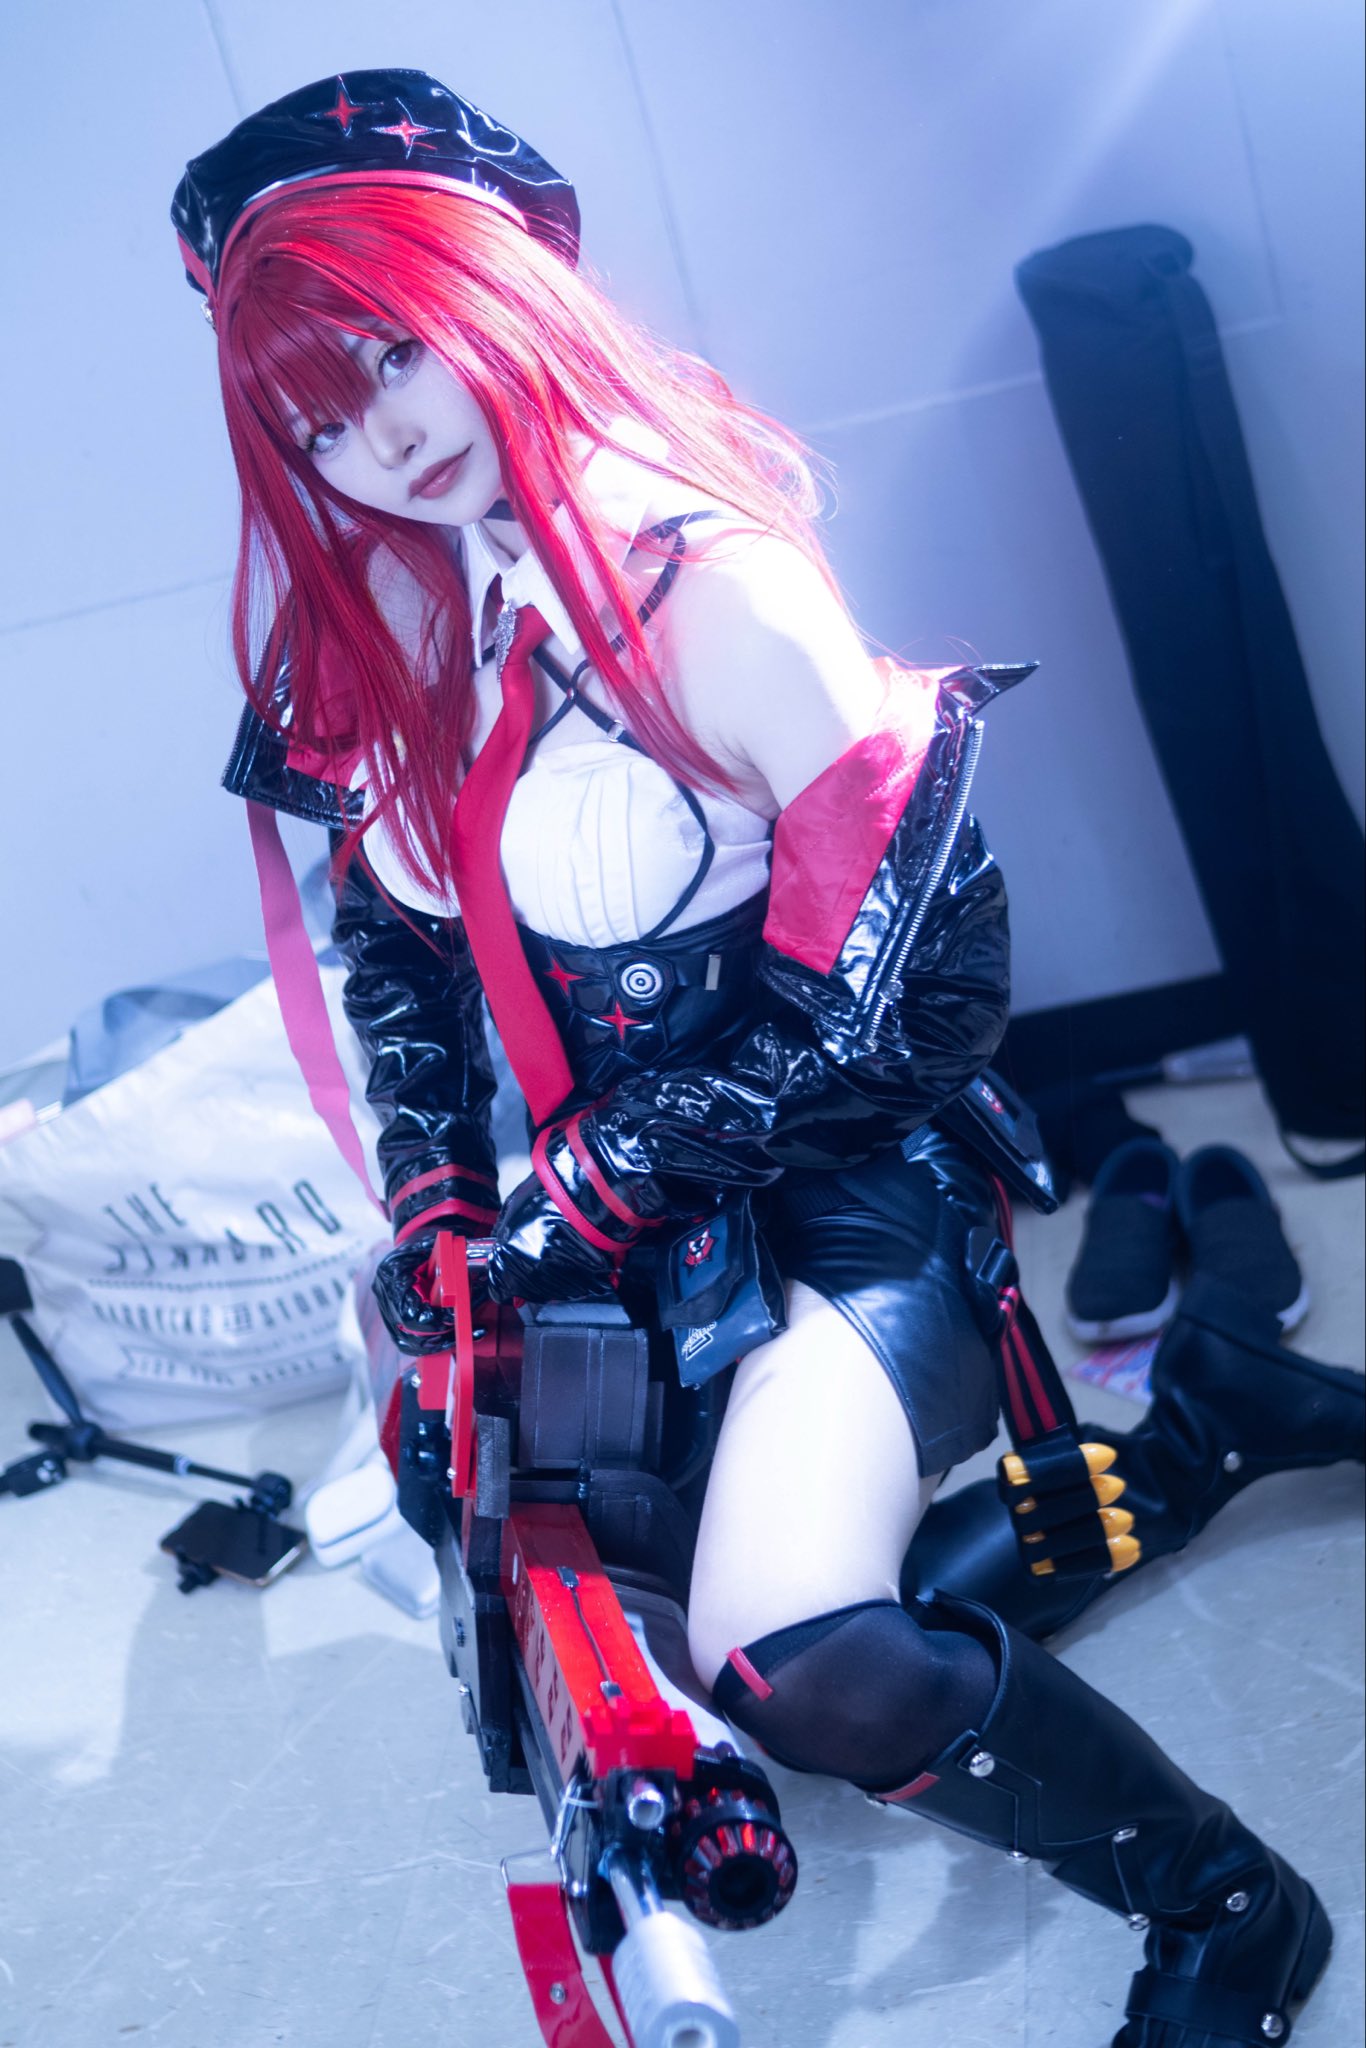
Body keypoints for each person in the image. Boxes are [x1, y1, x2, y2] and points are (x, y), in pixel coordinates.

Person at [174, 70, 1359, 2046]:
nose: (378, 438)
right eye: (317, 417)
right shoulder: (402, 606)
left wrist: (581, 1193)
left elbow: (924, 992)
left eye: (391, 350)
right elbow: (397, 950)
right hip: (623, 1229)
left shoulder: (709, 581)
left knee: (791, 1652)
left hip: (846, 1195)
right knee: (675, 1652)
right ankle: (1195, 1428)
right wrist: (446, 1207)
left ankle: (1228, 1904)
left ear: (492, 285)